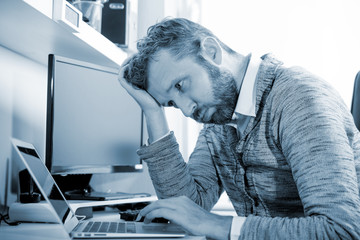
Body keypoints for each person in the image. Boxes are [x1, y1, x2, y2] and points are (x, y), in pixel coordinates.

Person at [118, 17, 360, 239]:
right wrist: (154, 112)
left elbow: (340, 230)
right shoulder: (220, 123)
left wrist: (220, 225)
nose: (186, 110)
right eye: (171, 103)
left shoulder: (298, 99)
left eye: (180, 86)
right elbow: (187, 208)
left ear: (211, 52)